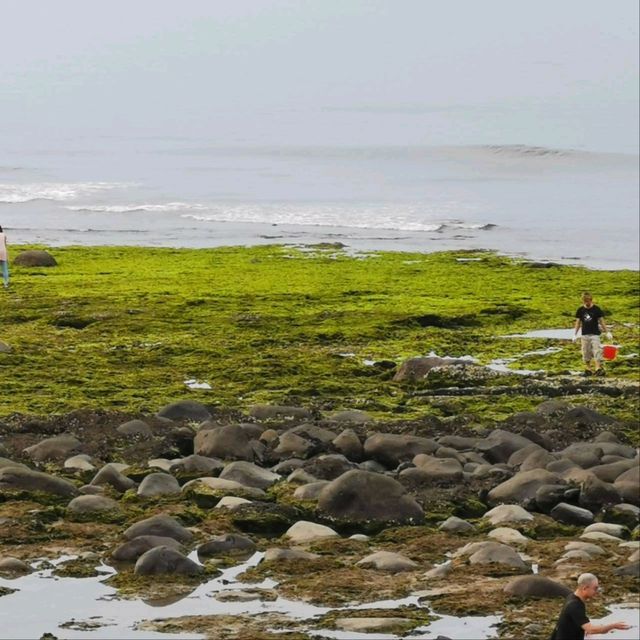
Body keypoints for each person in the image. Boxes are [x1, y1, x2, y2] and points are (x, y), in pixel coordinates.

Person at [549, 573, 631, 639]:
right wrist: (613, 626)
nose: (597, 591)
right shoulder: (575, 605)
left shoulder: (572, 597)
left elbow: (573, 621)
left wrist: (584, 630)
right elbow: (591, 629)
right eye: (595, 588)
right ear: (585, 588)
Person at [573, 291, 610, 377]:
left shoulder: (596, 309)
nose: (587, 303)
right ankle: (588, 369)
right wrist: (575, 334)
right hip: (584, 334)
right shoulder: (580, 310)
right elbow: (578, 323)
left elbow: (601, 321)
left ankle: (598, 368)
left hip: (595, 334)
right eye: (585, 301)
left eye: (588, 301)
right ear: (582, 301)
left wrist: (607, 332)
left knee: (597, 350)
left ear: (591, 300)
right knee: (586, 352)